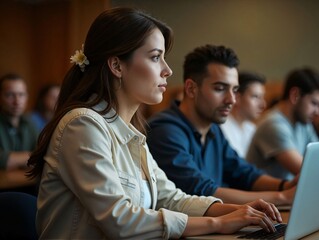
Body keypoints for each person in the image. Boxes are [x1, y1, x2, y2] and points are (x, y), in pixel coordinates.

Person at [27, 8, 281, 239]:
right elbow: (120, 220)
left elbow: (169, 197)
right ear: (116, 65)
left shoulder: (131, 131)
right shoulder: (82, 126)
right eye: (155, 57)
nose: (167, 70)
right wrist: (217, 223)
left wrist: (238, 210)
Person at [147, 44, 296, 207]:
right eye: (220, 88)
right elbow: (201, 191)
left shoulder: (213, 129)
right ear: (191, 89)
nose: (231, 100)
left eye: (234, 90)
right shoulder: (164, 130)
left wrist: (287, 186)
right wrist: (283, 197)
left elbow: (245, 173)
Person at [246, 68, 319, 187]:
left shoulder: (303, 124)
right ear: (295, 95)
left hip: (285, 200)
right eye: (314, 103)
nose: (318, 112)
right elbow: (307, 173)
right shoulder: (272, 125)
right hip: (265, 202)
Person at [220, 71, 266, 157]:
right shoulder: (221, 129)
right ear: (237, 98)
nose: (263, 105)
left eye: (262, 97)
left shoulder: (251, 129)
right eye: (255, 97)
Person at [0, 73, 38, 170]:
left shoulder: (30, 123)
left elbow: (43, 153)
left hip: (27, 183)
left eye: (21, 95)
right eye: (10, 95)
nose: (17, 101)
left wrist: (14, 159)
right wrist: (31, 157)